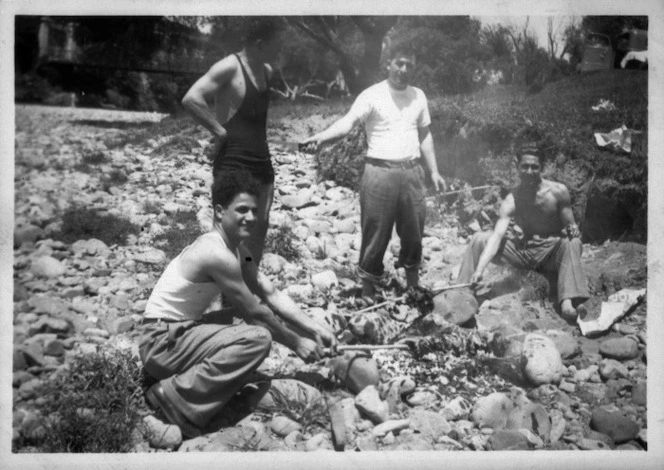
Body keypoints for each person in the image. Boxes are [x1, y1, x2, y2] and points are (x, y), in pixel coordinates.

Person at [139, 169, 337, 437]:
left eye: (255, 211)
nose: (251, 218)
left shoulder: (236, 251)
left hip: (171, 335)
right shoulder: (216, 254)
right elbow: (255, 312)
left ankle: (180, 386)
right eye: (242, 210)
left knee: (234, 318)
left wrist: (315, 328)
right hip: (160, 342)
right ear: (220, 212)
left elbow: (270, 293)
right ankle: (177, 396)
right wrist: (298, 343)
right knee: (257, 338)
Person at [301, 42, 446, 299]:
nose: (403, 69)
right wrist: (322, 137)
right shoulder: (371, 95)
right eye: (399, 63)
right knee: (375, 233)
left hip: (412, 172)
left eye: (409, 65)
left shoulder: (418, 96)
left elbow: (425, 134)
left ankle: (413, 287)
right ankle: (368, 291)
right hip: (379, 172)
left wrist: (434, 171)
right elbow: (349, 123)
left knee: (414, 233)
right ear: (388, 63)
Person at [181, 18, 281, 266]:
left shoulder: (266, 71)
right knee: (231, 229)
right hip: (233, 160)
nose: (279, 52)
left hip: (261, 159)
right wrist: (219, 132)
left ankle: (248, 285)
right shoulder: (228, 67)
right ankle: (229, 295)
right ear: (259, 44)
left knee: (260, 223)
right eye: (276, 46)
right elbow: (191, 98)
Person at [457, 143, 590, 322]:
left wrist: (572, 231)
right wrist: (480, 269)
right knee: (479, 238)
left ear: (541, 167)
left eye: (534, 167)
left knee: (572, 242)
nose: (529, 171)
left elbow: (571, 226)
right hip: (523, 252)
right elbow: (497, 236)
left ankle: (568, 301)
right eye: (524, 166)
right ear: (517, 166)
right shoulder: (512, 198)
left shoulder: (558, 192)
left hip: (550, 252)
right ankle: (463, 290)